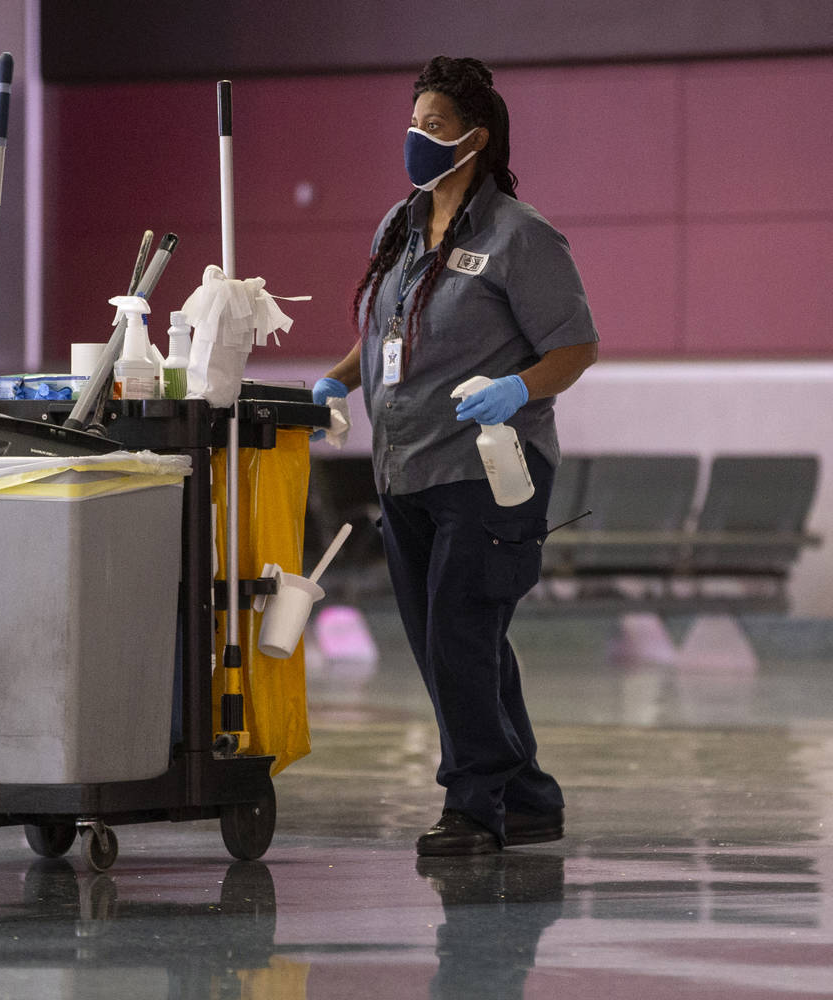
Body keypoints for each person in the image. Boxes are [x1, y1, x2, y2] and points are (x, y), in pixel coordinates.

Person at [313, 56, 598, 856]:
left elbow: (576, 347)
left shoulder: (520, 235)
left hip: (489, 469)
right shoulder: (399, 226)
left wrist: (516, 387)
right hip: (405, 467)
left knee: (458, 633)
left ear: (477, 138)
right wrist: (334, 384)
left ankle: (475, 805)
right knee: (451, 636)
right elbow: (382, 331)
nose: (417, 138)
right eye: (414, 122)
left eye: (435, 128)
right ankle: (529, 795)